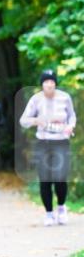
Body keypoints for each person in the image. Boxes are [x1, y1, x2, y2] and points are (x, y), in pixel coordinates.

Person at [19, 69, 76, 225]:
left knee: (60, 177)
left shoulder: (65, 98)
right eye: (46, 82)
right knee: (45, 179)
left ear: (55, 84)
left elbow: (72, 116)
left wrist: (70, 126)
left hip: (61, 142)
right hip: (43, 143)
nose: (49, 85)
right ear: (42, 84)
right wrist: (36, 120)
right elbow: (23, 121)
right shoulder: (36, 99)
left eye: (52, 82)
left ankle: (61, 208)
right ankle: (49, 213)